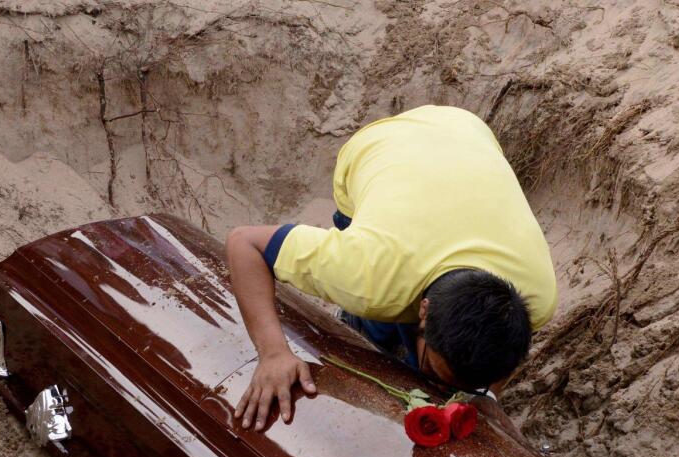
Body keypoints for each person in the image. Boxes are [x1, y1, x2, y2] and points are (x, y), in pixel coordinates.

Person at [225, 105, 557, 431]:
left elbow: (502, 357)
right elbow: (244, 242)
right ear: (423, 312)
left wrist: (488, 396)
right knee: (370, 321)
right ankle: (364, 332)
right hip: (381, 145)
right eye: (437, 371)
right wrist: (272, 353)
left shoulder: (536, 299)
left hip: (465, 129)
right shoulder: (366, 270)